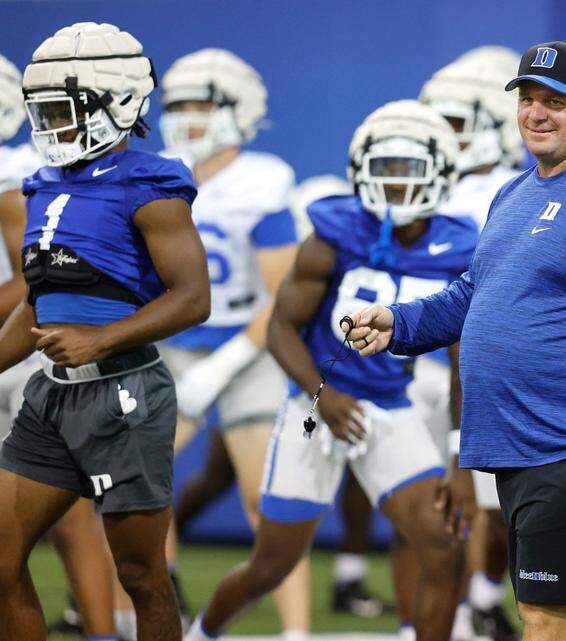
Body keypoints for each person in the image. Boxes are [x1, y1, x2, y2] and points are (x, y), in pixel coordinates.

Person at [343, 40, 566, 641]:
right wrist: (398, 322)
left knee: (545, 614)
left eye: (556, 101)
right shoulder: (513, 194)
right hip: (520, 439)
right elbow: (475, 295)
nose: (537, 113)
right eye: (528, 99)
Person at [183, 99, 471, 641]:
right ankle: (201, 635)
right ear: (360, 170)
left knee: (443, 545)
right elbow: (279, 329)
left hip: (391, 409)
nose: (396, 183)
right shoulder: (334, 233)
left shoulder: (459, 247)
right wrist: (324, 393)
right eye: (384, 167)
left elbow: (464, 362)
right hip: (315, 408)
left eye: (408, 169)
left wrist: (460, 457)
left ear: (441, 171)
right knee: (272, 564)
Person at [0, 21, 210, 641]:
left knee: (143, 576)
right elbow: (38, 302)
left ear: (114, 104)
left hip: (125, 396)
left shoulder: (151, 184)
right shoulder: (41, 186)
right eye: (42, 113)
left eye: (62, 111)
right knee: (2, 558)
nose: (51, 127)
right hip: (50, 395)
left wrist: (102, 338)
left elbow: (193, 298)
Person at [156, 47, 307, 636]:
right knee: (138, 480)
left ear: (238, 109)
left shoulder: (262, 179)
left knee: (266, 497)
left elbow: (282, 293)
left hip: (249, 343)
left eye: (203, 103)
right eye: (179, 104)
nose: (189, 116)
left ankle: (296, 632)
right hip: (171, 339)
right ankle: (158, 604)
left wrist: (221, 369)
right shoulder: (157, 169)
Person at [0, 48, 122, 641]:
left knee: (66, 516)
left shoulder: (21, 170)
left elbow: (32, 277)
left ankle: (100, 631)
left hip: (24, 351)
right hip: (21, 348)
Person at [420, 45, 524, 641]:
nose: (442, 138)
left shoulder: (512, 190)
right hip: (424, 364)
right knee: (442, 506)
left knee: (492, 500)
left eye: (454, 122)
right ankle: (452, 613)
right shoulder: (419, 180)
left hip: (483, 363)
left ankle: (478, 601)